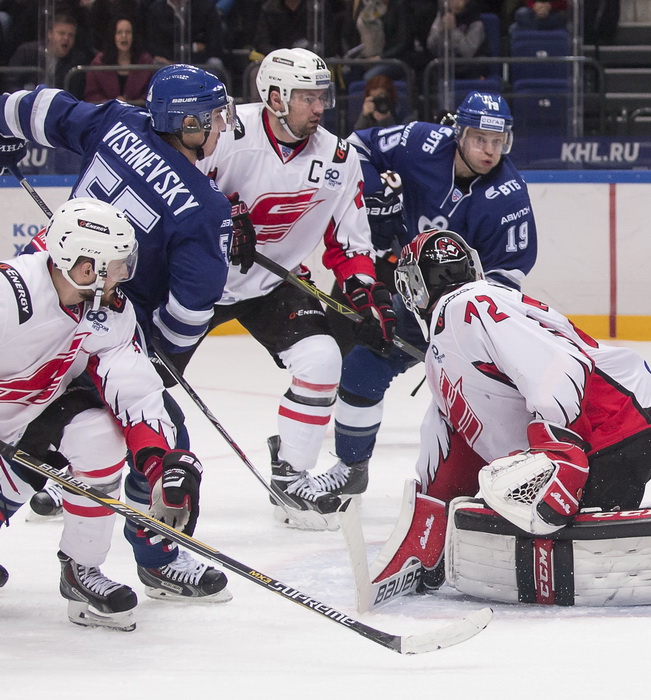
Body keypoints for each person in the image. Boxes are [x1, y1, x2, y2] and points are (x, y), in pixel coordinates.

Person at [357, 228, 651, 611]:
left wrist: (560, 455)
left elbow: (559, 365)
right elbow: (453, 445)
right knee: (507, 508)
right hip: (614, 432)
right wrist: (431, 528)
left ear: (413, 288)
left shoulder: (467, 306)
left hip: (612, 427)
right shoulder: (441, 352)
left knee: (532, 518)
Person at [0, 64, 236, 601]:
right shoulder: (203, 208)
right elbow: (191, 308)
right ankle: (159, 559)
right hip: (100, 319)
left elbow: (41, 108)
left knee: (66, 432)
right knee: (129, 428)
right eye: (216, 117)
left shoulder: (117, 122)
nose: (222, 126)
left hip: (61, 292)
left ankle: (92, 560)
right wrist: (164, 360)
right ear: (191, 122)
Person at [195, 48, 395, 528]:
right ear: (276, 96)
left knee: (323, 359)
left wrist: (364, 296)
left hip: (271, 280)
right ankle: (69, 470)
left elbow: (349, 242)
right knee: (137, 379)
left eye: (322, 96)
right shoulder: (224, 133)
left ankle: (291, 473)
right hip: (197, 279)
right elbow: (174, 193)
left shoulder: (338, 157)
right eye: (308, 97)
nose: (320, 107)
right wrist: (218, 219)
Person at [311, 91, 536, 511]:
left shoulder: (508, 197)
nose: (489, 151)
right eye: (479, 139)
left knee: (481, 401)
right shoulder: (421, 142)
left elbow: (507, 278)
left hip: (468, 311)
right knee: (359, 366)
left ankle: (501, 478)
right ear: (458, 134)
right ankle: (350, 468)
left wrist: (458, 323)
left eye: (497, 140)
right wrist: (377, 191)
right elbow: (356, 146)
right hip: (406, 283)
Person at [0, 197, 209, 630]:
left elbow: (133, 389)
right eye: (111, 266)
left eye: (122, 264)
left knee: (99, 433)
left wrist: (160, 465)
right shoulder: (10, 294)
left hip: (21, 424)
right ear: (76, 261)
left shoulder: (109, 313)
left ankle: (82, 569)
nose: (120, 276)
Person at [5, 13, 92, 95]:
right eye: (61, 33)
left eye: (71, 35)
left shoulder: (77, 60)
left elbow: (75, 93)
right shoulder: (27, 51)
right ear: (50, 34)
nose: (66, 38)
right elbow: (11, 83)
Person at [84, 17, 156, 105]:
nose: (124, 36)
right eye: (119, 32)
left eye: (128, 32)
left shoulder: (145, 61)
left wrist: (132, 104)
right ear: (113, 36)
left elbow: (151, 92)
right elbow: (91, 94)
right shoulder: (99, 62)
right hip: (107, 113)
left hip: (138, 112)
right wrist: (111, 103)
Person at [426, 0, 488, 79]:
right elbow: (431, 45)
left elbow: (467, 52)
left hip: (472, 68)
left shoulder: (476, 22)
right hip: (446, 67)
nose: (456, 2)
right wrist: (440, 32)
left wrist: (453, 31)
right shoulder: (442, 15)